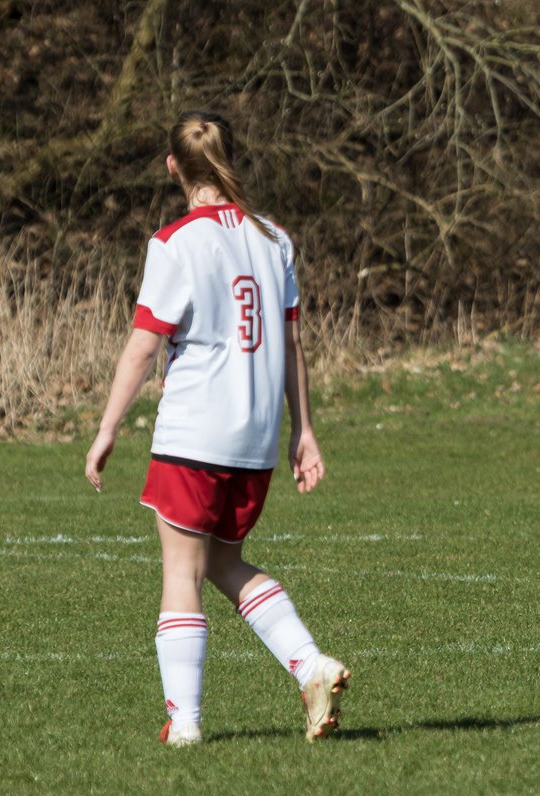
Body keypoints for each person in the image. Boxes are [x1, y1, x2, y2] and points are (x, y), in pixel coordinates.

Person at [84, 110, 348, 745]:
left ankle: (186, 724)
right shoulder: (275, 238)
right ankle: (312, 665)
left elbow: (143, 347)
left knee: (181, 571)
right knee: (224, 561)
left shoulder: (175, 242)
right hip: (254, 439)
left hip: (194, 432)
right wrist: (302, 429)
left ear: (173, 167)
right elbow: (290, 340)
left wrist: (107, 428)